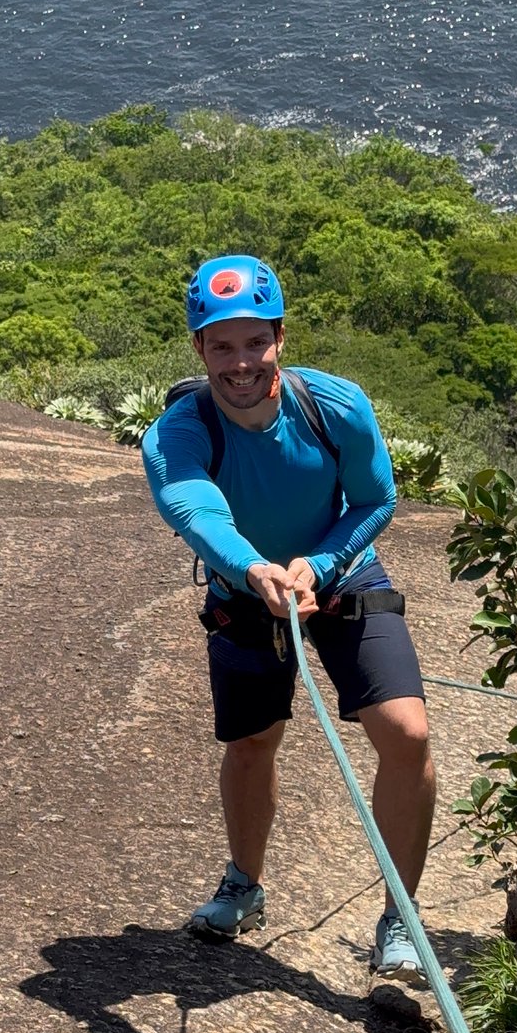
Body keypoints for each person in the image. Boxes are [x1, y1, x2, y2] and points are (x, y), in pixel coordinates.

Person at [141, 254, 437, 990]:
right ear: (199, 349)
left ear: (279, 337)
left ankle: (401, 914)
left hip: (339, 579)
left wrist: (320, 563)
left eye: (255, 343)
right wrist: (256, 571)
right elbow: (193, 509)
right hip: (249, 595)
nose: (240, 363)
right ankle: (245, 884)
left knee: (407, 732)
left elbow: (375, 499)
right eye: (221, 346)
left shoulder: (335, 406)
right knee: (251, 745)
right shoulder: (177, 433)